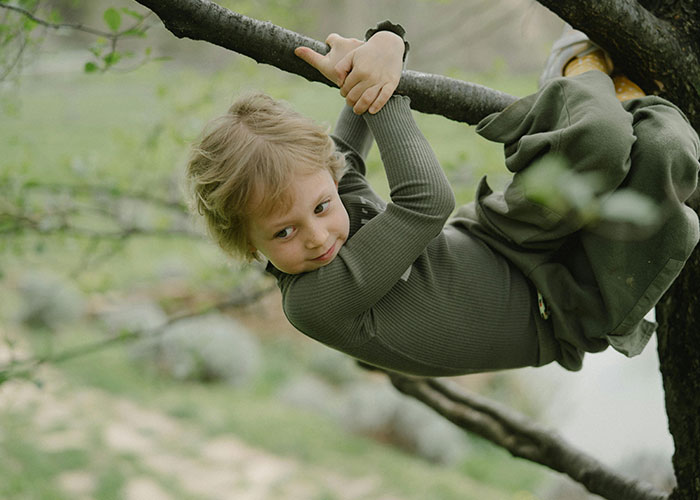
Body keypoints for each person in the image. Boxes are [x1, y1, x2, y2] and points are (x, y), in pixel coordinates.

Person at [186, 23, 699, 376]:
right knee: (669, 146)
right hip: (565, 307)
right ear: (246, 242)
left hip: (502, 238)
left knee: (604, 139)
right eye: (284, 231)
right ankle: (619, 92)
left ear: (326, 174)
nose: (319, 236)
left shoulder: (315, 180)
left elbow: (361, 108)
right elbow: (426, 203)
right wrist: (381, 84)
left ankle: (581, 65)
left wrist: (385, 43)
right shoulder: (314, 302)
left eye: (321, 206)